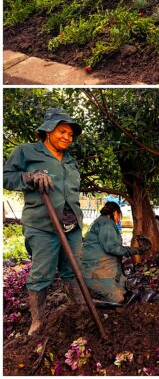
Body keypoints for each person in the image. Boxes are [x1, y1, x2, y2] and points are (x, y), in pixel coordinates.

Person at [3, 108, 86, 335]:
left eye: (70, 134)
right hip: (42, 225)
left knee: (74, 270)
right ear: (48, 130)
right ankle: (37, 323)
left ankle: (80, 313)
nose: (67, 137)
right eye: (62, 131)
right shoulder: (27, 152)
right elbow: (5, 176)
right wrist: (28, 177)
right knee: (41, 274)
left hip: (71, 225)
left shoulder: (70, 160)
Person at [81, 201, 140, 304]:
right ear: (116, 213)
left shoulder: (99, 221)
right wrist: (135, 250)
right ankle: (92, 300)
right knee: (118, 299)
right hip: (95, 272)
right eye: (119, 216)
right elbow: (112, 248)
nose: (119, 220)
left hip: (99, 269)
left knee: (125, 290)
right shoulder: (107, 224)